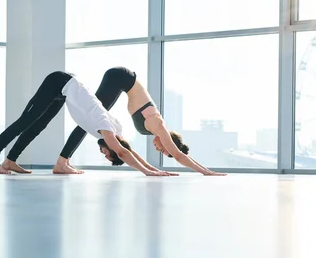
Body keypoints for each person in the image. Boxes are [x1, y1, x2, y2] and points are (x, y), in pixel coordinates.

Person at [0, 71, 175, 177]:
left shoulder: (116, 131)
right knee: (25, 122)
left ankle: (10, 161)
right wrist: (149, 173)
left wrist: (155, 169)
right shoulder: (105, 125)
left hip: (63, 91)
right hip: (58, 82)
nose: (103, 153)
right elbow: (123, 152)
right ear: (112, 146)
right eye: (108, 153)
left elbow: (128, 150)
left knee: (38, 126)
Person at [54, 67, 226, 176]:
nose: (158, 149)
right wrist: (205, 171)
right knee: (88, 119)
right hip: (121, 77)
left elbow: (128, 150)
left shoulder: (153, 129)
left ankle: (63, 162)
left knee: (89, 120)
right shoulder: (157, 125)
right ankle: (62, 162)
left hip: (121, 80)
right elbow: (180, 155)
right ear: (169, 142)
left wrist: (153, 170)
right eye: (164, 149)